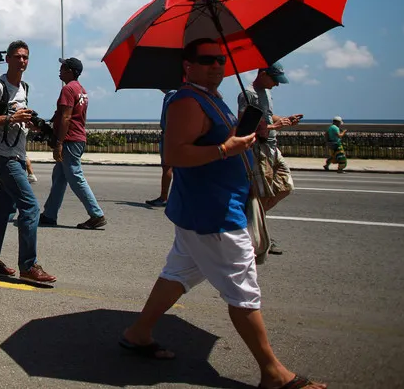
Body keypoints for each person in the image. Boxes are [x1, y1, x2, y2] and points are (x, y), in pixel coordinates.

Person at [121, 38, 326, 389]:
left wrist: (246, 135)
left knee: (178, 273)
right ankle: (273, 373)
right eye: (207, 60)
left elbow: (219, 140)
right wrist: (224, 148)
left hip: (205, 209)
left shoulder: (210, 97)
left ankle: (139, 332)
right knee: (243, 290)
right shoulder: (186, 100)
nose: (217, 65)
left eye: (220, 59)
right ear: (188, 65)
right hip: (213, 213)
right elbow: (176, 154)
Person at [0, 40, 57, 287]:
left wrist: (27, 122)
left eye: (26, 57)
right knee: (30, 208)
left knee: (3, 209)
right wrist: (11, 117)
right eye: (18, 56)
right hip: (5, 156)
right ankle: (28, 266)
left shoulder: (24, 87)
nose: (22, 61)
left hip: (19, 155)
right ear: (8, 59)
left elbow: (17, 119)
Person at [238, 62, 302, 256]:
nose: (276, 84)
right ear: (263, 74)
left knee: (285, 185)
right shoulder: (248, 94)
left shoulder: (265, 93)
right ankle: (259, 234)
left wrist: (283, 119)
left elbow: (266, 115)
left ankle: (255, 226)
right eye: (274, 79)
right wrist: (274, 127)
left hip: (272, 148)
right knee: (261, 193)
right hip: (260, 148)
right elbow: (244, 124)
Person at [39, 57, 104, 230]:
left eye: (63, 67)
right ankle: (49, 214)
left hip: (70, 139)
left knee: (75, 176)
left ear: (70, 71)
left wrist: (59, 142)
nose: (59, 70)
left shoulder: (68, 89)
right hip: (78, 137)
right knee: (59, 177)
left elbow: (67, 117)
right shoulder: (81, 89)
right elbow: (62, 114)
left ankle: (96, 214)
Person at [147, 89, 178, 207]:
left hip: (169, 135)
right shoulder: (180, 93)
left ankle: (164, 197)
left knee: (167, 166)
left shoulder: (171, 95)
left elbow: (167, 117)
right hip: (175, 134)